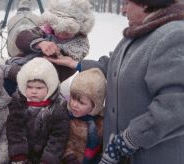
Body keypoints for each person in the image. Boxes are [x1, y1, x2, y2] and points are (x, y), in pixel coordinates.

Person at [46, 0, 184, 164]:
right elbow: (116, 65)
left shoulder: (173, 35)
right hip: (123, 154)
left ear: (146, 4)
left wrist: (130, 138)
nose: (123, 9)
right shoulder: (139, 33)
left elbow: (175, 106)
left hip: (151, 155)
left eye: (127, 3)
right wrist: (75, 64)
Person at [3, 0, 94, 95]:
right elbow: (21, 38)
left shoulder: (74, 53)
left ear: (79, 30)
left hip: (36, 88)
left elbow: (42, 78)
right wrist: (40, 43)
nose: (60, 33)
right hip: (18, 68)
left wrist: (8, 71)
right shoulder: (46, 30)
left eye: (67, 32)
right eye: (57, 28)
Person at [6, 58, 70, 163]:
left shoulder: (58, 107)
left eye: (39, 88)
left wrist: (48, 159)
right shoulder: (18, 102)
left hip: (45, 156)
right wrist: (19, 155)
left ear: (50, 87)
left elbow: (59, 137)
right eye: (30, 87)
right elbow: (14, 129)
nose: (33, 91)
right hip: (23, 155)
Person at [62, 68, 106, 164]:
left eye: (81, 103)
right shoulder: (64, 115)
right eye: (73, 98)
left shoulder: (101, 124)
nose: (74, 105)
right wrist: (67, 155)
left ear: (94, 106)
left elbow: (100, 148)